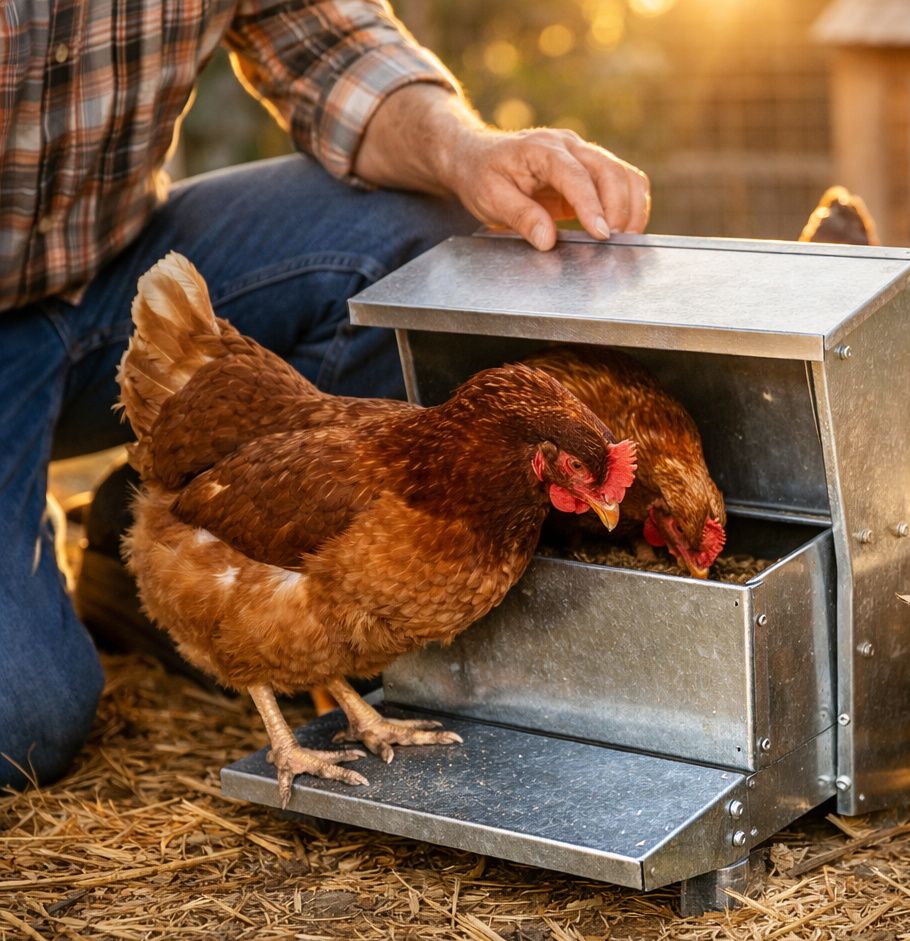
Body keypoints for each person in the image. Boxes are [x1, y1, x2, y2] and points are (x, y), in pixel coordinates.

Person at [0, 1, 651, 790]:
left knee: (424, 216)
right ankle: (172, 528)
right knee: (22, 727)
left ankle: (128, 533)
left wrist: (469, 151)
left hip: (106, 259)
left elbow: (329, 39)